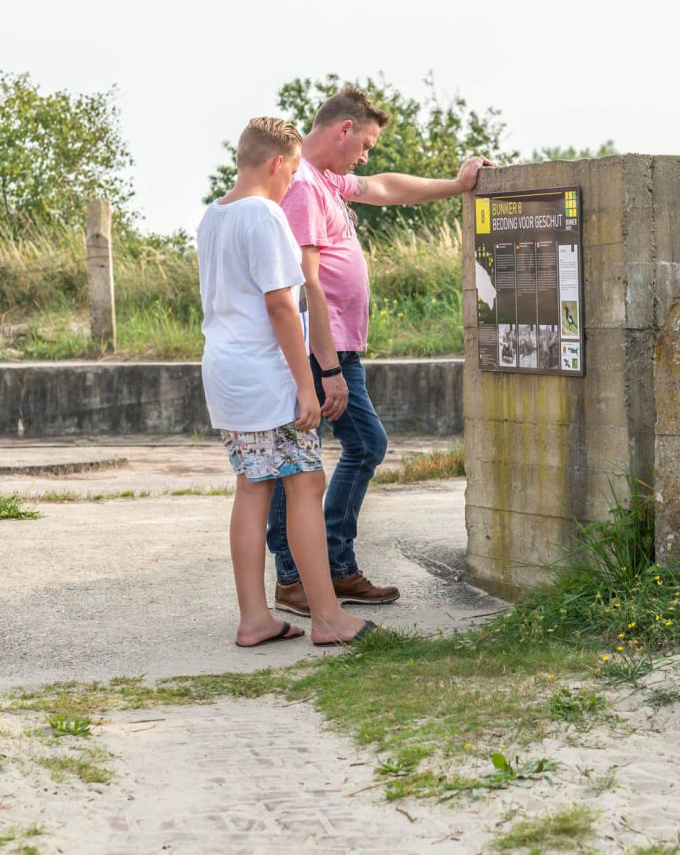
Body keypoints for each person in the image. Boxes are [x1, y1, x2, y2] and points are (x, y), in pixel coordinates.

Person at [267, 86, 493, 615]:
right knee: (321, 454)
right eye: (365, 143)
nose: (367, 156)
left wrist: (457, 185)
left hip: (339, 350)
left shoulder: (327, 180)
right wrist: (326, 371)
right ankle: (302, 575)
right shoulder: (302, 186)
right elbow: (307, 284)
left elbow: (387, 188)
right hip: (323, 353)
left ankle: (327, 570)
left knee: (322, 453)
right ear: (343, 130)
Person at [198, 116, 374, 647]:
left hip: (226, 373)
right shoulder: (266, 216)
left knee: (252, 488)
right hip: (267, 374)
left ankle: (255, 618)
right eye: (293, 170)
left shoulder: (213, 216)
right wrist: (307, 384)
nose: (293, 181)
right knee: (305, 483)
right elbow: (281, 305)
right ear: (277, 162)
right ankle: (327, 617)